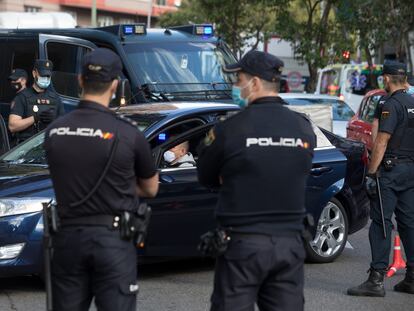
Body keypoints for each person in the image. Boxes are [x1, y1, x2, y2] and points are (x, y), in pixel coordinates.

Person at [197, 50, 317, 311]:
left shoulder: (229, 129)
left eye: (238, 79)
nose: (236, 86)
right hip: (290, 244)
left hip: (243, 245)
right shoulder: (303, 127)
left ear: (254, 83)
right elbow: (299, 168)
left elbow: (205, 175)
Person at [44, 48, 159, 311]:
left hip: (67, 238)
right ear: (116, 85)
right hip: (113, 240)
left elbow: (65, 174)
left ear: (80, 80)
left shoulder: (54, 132)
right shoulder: (128, 134)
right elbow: (151, 188)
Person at [347, 61, 414, 297]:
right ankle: (412, 278)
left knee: (381, 223)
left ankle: (375, 280)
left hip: (390, 170)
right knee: (409, 222)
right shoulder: (413, 102)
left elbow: (382, 141)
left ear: (386, 79)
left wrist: (372, 173)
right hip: (410, 171)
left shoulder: (391, 104)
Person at [8, 59, 64, 144]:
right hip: (26, 147)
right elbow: (12, 126)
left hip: (48, 145)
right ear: (34, 73)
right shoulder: (22, 97)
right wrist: (35, 118)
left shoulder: (55, 99)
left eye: (48, 76)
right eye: (42, 75)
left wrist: (55, 120)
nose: (45, 78)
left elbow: (65, 127)